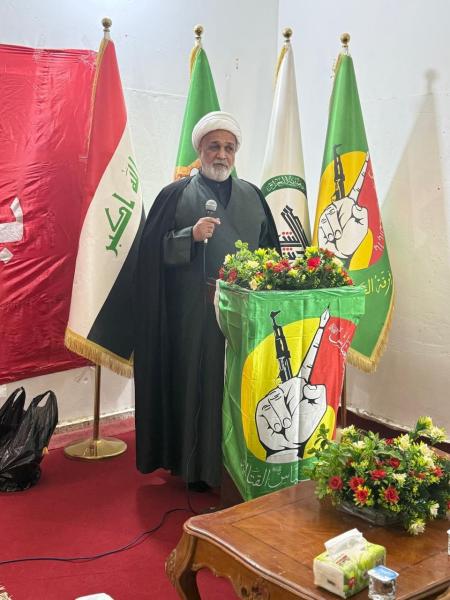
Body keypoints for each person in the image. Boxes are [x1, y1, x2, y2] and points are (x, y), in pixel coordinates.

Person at [133, 111, 280, 490]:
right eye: (214, 146)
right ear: (199, 150)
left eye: (229, 147)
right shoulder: (175, 195)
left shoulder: (253, 195)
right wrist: (189, 237)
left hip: (247, 316)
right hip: (194, 317)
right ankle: (198, 467)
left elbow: (272, 254)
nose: (222, 155)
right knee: (202, 387)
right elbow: (150, 255)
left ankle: (243, 463)